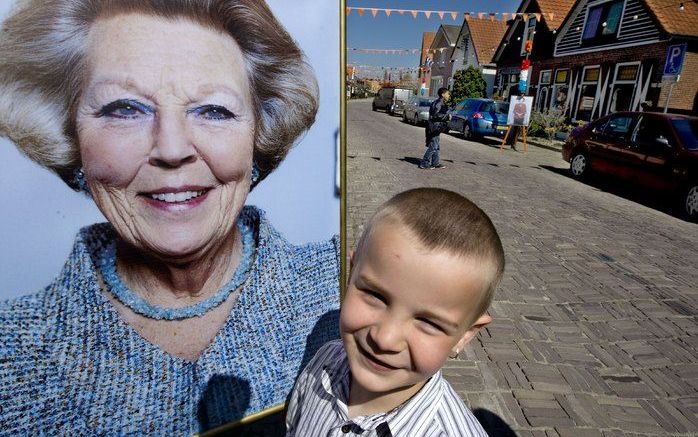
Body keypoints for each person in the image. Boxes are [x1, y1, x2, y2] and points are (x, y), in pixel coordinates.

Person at [0, 1, 339, 434]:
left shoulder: (349, 286)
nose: (172, 148)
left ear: (258, 135)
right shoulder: (11, 352)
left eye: (213, 110)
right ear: (70, 137)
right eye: (125, 109)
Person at [287, 188, 505, 436]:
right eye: (375, 295)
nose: (385, 338)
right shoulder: (323, 361)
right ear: (350, 275)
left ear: (466, 335)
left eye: (428, 322)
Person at [420, 87, 452, 169]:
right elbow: (436, 115)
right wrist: (447, 117)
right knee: (433, 146)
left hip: (436, 127)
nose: (449, 95)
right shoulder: (439, 103)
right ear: (443, 94)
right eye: (447, 93)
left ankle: (435, 162)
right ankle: (424, 163)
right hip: (434, 127)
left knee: (436, 145)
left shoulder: (439, 102)